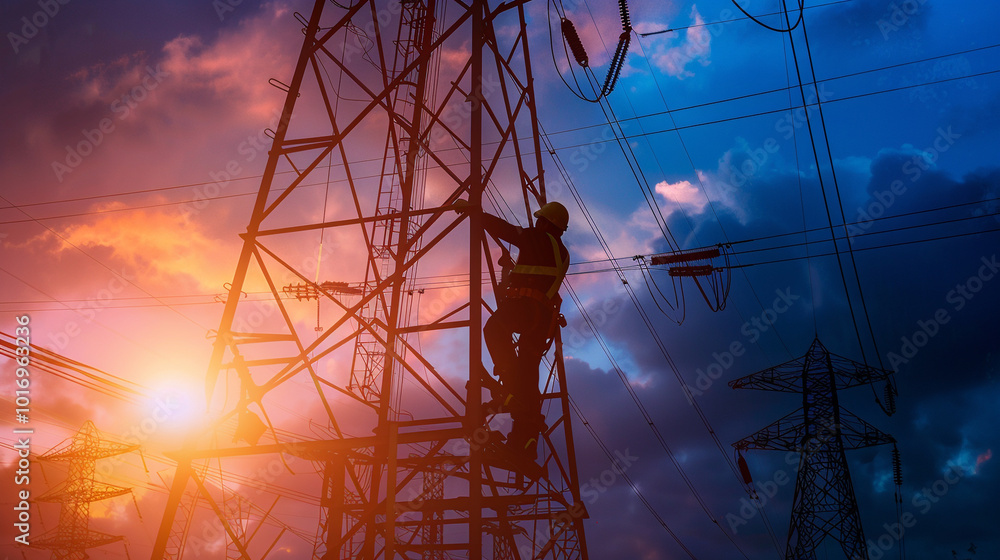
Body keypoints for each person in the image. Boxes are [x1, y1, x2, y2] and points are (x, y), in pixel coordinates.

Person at [456, 200, 570, 460]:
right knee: (529, 376)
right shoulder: (562, 253)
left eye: (539, 220)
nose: (536, 223)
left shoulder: (535, 237)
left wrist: (475, 212)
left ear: (545, 223)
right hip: (542, 320)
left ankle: (509, 386)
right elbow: (536, 271)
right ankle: (524, 443)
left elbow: (504, 230)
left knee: (494, 329)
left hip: (525, 307)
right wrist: (511, 268)